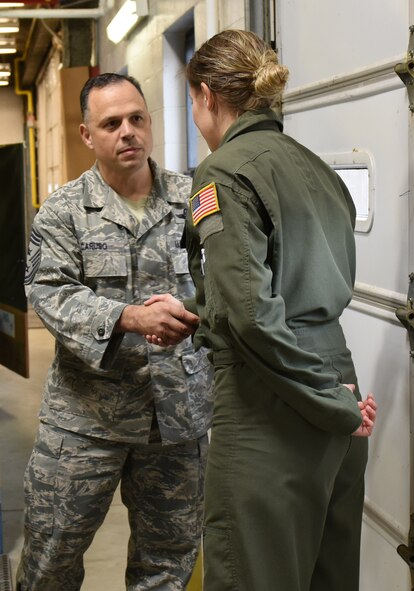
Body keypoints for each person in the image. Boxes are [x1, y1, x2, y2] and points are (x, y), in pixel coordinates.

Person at [183, 30, 377, 591]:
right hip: (338, 391)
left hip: (272, 407)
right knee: (329, 576)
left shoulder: (222, 173)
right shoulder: (316, 169)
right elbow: (294, 288)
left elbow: (251, 315)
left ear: (206, 95)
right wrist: (201, 309)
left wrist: (323, 399)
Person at [16, 73, 213, 591]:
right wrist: (127, 317)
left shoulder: (194, 200)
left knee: (167, 565)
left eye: (137, 119)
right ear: (87, 135)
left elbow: (226, 282)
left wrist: (196, 313)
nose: (128, 132)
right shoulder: (62, 212)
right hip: (85, 420)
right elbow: (48, 293)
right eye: (111, 123)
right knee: (49, 558)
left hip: (175, 419)